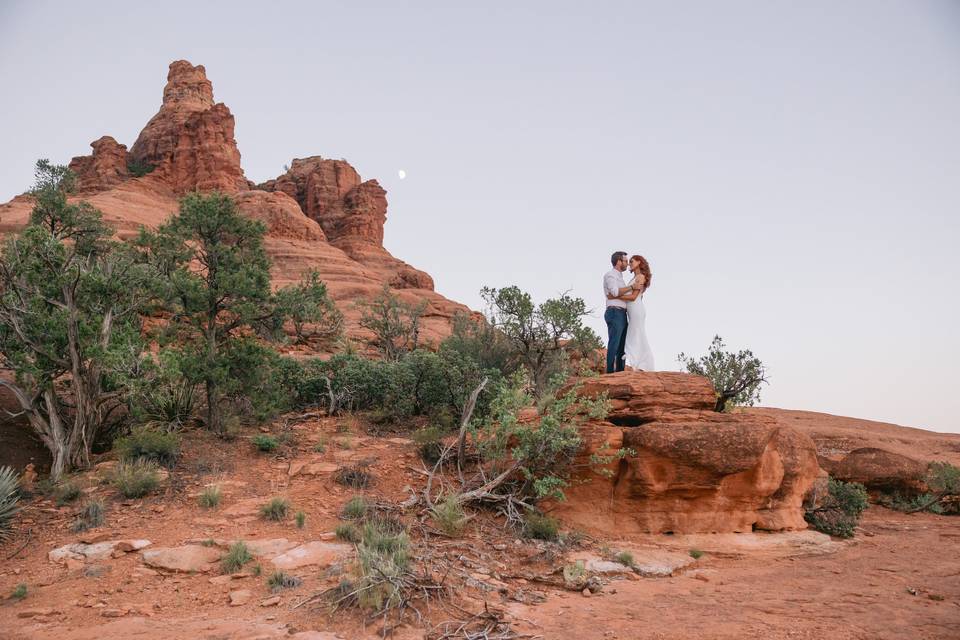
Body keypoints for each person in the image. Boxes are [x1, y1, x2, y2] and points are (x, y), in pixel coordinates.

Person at [611, 255, 654, 371]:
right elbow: (639, 296)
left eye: (632, 261)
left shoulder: (640, 277)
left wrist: (617, 296)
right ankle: (639, 362)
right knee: (636, 334)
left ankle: (643, 364)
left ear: (639, 262)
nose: (629, 264)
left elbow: (634, 297)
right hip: (633, 310)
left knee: (636, 334)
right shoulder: (634, 278)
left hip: (636, 310)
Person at [603, 251, 635, 373]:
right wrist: (632, 287)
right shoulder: (610, 275)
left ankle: (620, 372)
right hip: (614, 312)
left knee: (622, 345)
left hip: (622, 314)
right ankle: (610, 372)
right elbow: (615, 292)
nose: (627, 263)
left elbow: (616, 294)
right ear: (618, 262)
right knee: (614, 343)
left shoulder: (620, 278)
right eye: (625, 261)